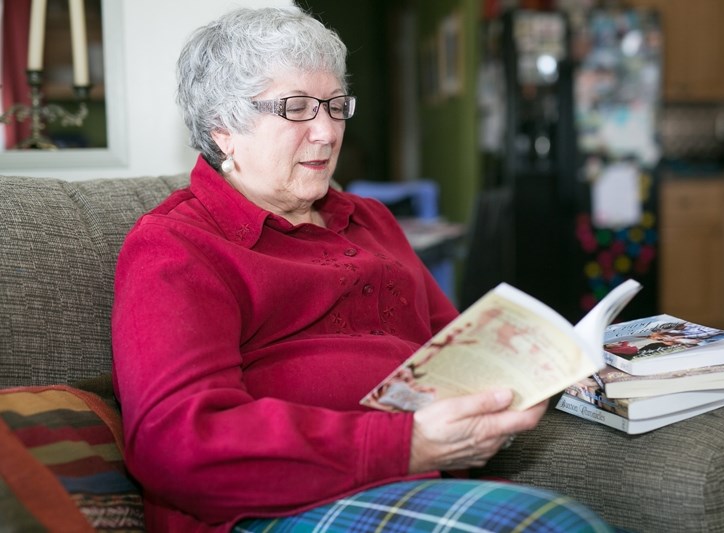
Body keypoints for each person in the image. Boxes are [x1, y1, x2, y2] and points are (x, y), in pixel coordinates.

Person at [111, 6, 615, 532]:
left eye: (333, 105)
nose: (328, 133)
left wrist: (545, 368)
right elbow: (179, 443)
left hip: (415, 486)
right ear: (223, 130)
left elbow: (456, 344)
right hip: (273, 510)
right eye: (297, 108)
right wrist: (407, 444)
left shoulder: (369, 219)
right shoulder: (178, 246)